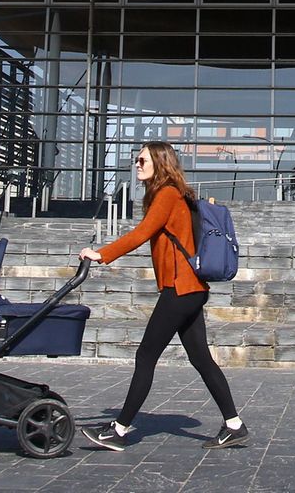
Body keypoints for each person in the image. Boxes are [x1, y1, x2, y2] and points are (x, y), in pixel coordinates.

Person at [77, 142, 248, 450]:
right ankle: (233, 425)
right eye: (136, 159)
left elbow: (141, 233)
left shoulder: (168, 194)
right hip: (190, 289)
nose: (137, 163)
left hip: (181, 289)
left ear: (159, 161)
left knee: (146, 356)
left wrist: (101, 255)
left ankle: (119, 429)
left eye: (142, 159)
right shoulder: (170, 193)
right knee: (200, 358)